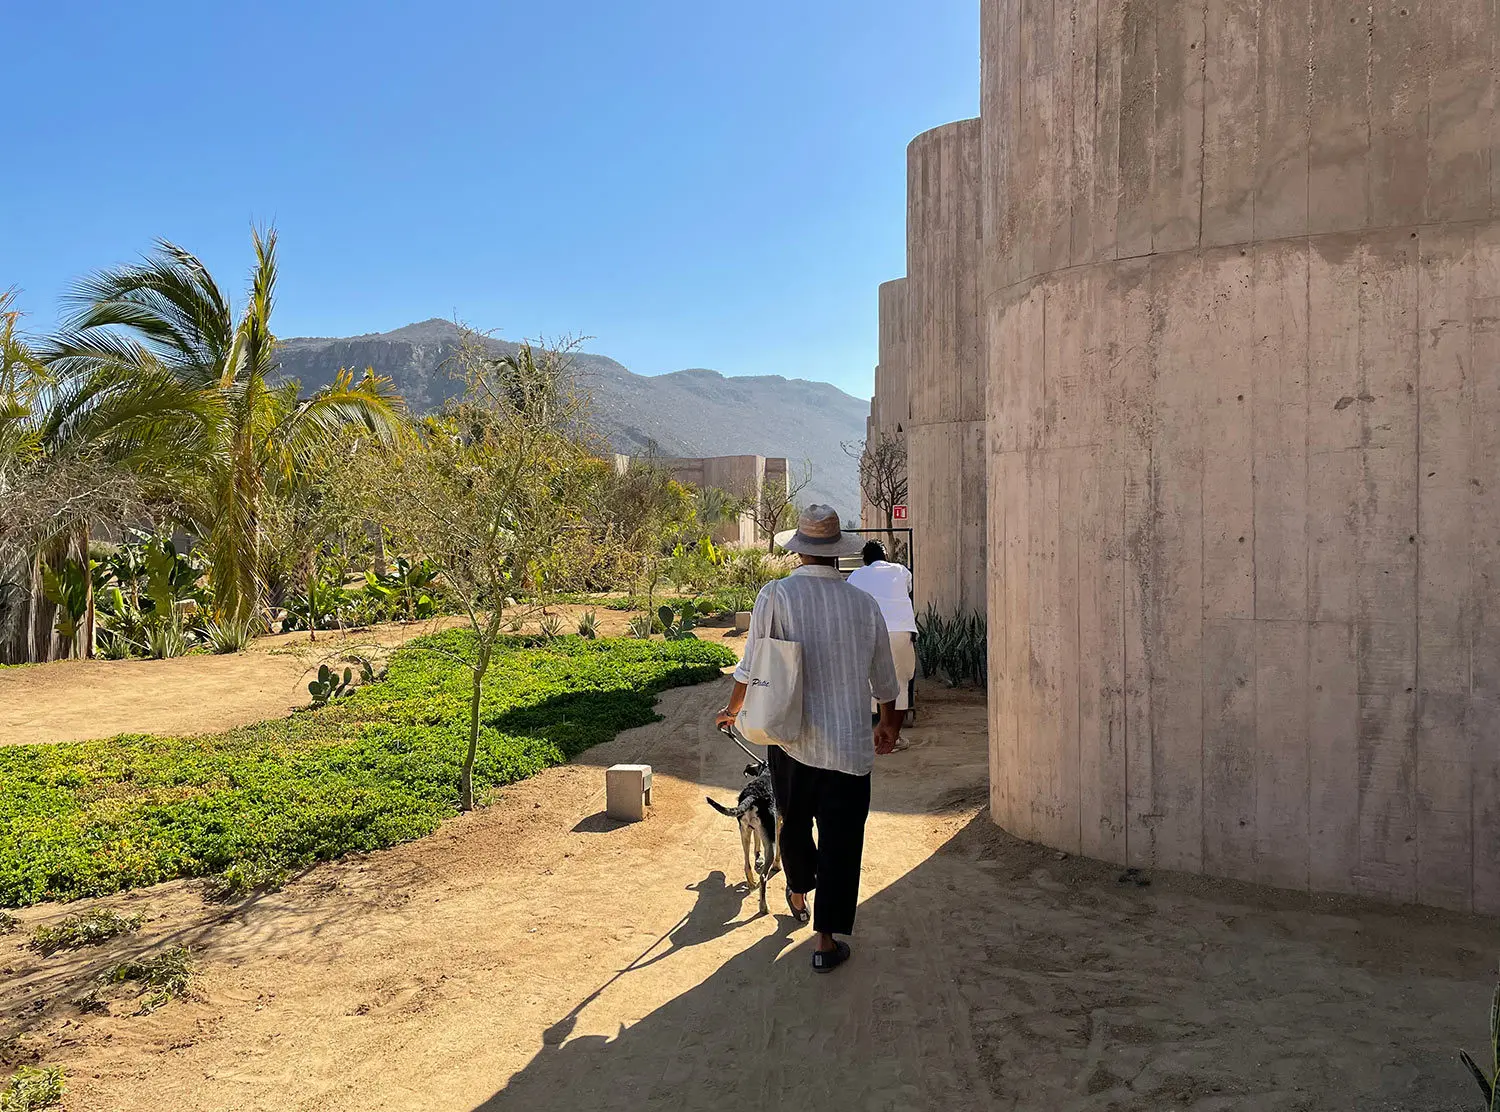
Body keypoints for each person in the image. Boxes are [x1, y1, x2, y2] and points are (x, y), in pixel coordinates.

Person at [715, 505, 901, 974]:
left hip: (790, 739)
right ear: (838, 554)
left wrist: (733, 711)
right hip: (847, 744)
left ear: (799, 550)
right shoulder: (863, 605)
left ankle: (796, 888)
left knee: (793, 824)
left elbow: (749, 665)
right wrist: (888, 726)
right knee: (843, 840)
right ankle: (824, 940)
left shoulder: (774, 596)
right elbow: (885, 680)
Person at [845, 540, 916, 741]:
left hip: (867, 632)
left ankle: (869, 735)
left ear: (864, 561)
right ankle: (895, 736)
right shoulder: (900, 570)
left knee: (867, 679)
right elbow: (907, 590)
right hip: (900, 630)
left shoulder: (856, 575)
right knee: (900, 681)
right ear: (885, 556)